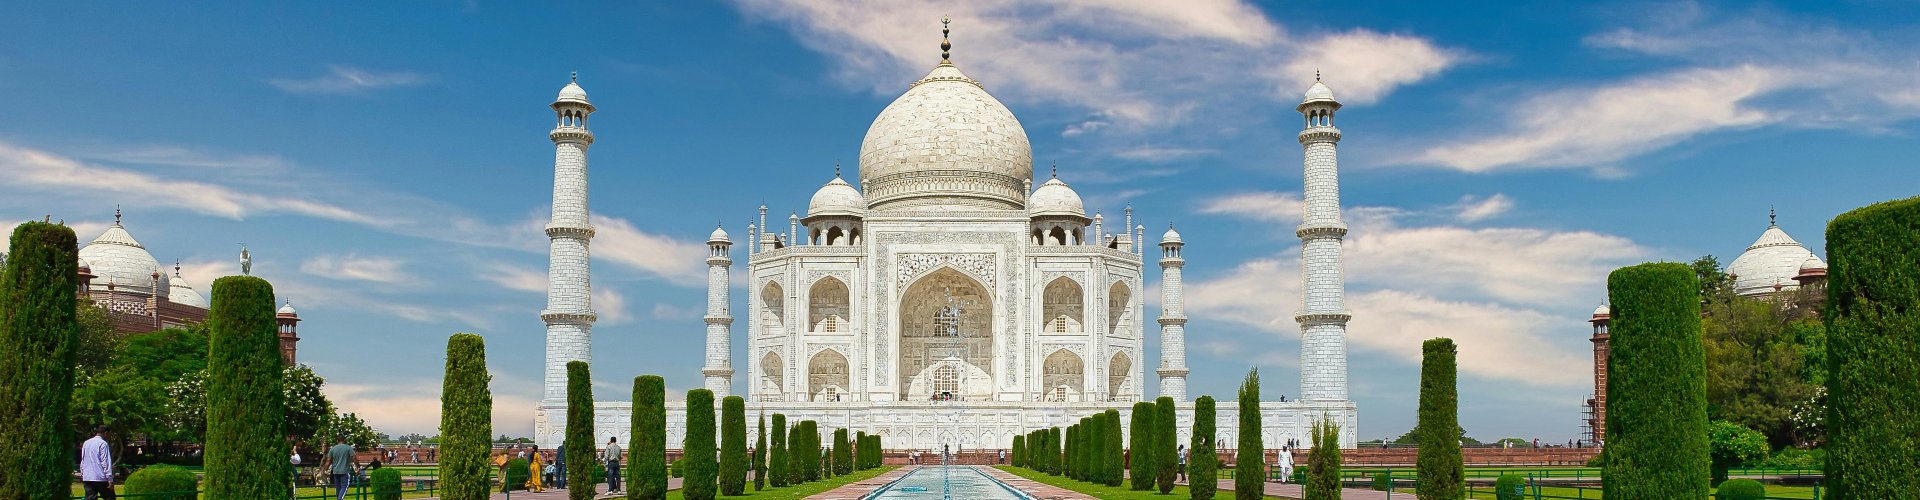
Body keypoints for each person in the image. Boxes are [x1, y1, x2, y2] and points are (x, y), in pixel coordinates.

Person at [81, 426, 115, 500]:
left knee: (90, 498)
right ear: (106, 433)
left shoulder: (86, 443)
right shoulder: (103, 443)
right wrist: (110, 479)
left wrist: (83, 473)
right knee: (110, 497)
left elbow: (83, 459)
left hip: (88, 477)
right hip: (100, 477)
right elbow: (105, 462)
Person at [326, 435, 356, 500]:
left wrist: (326, 469)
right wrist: (358, 466)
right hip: (344, 471)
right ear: (344, 440)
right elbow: (354, 458)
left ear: (337, 440)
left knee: (338, 487)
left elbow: (328, 460)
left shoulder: (333, 449)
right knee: (344, 486)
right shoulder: (348, 448)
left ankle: (339, 498)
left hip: (335, 471)